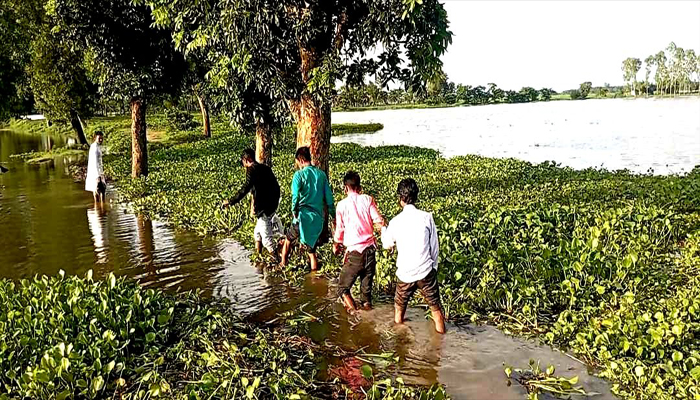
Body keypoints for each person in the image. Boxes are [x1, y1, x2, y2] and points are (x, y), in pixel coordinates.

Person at [381, 178, 446, 334]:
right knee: (436, 310)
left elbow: (387, 244)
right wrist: (433, 267)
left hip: (405, 273)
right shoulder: (426, 217)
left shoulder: (396, 221)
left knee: (399, 308)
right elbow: (434, 247)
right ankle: (441, 340)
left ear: (400, 199)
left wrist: (383, 229)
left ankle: (399, 337)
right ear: (416, 196)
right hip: (426, 271)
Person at [333, 171, 384, 312]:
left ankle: (356, 316)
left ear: (345, 188)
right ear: (359, 187)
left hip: (355, 255)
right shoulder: (368, 200)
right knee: (366, 297)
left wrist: (336, 245)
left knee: (342, 289)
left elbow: (339, 231)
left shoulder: (341, 205)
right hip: (370, 252)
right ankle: (368, 316)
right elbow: (379, 221)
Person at [280, 146, 335, 271]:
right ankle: (314, 275)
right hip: (317, 219)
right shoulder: (321, 175)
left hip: (302, 218)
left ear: (300, 160)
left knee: (288, 239)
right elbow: (329, 199)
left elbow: (295, 197)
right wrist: (333, 215)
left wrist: (294, 212)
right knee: (312, 251)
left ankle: (283, 263)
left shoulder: (298, 176)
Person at [222, 148, 283, 261]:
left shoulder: (251, 170)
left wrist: (230, 201)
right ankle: (258, 257)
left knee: (266, 239)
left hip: (264, 208)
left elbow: (245, 189)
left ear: (246, 160)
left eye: (243, 162)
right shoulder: (265, 168)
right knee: (257, 233)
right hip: (272, 205)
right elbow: (275, 187)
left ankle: (277, 261)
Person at [85, 131, 105, 202]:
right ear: (95, 138)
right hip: (96, 172)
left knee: (100, 189)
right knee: (99, 190)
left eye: (102, 138)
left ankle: (100, 206)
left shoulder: (96, 146)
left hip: (99, 171)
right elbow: (94, 162)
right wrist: (97, 175)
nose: (101, 140)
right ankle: (99, 207)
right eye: (99, 138)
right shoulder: (94, 148)